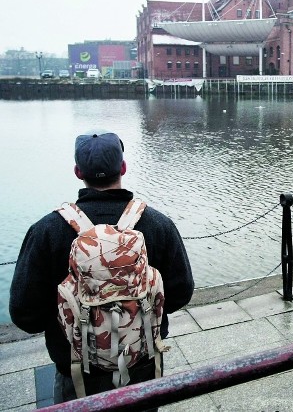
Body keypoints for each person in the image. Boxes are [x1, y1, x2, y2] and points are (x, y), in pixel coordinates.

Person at [10, 130, 194, 404]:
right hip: (142, 364)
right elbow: (181, 293)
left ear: (77, 171)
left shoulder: (46, 231)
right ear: (123, 167)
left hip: (77, 371)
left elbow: (25, 315)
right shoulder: (158, 224)